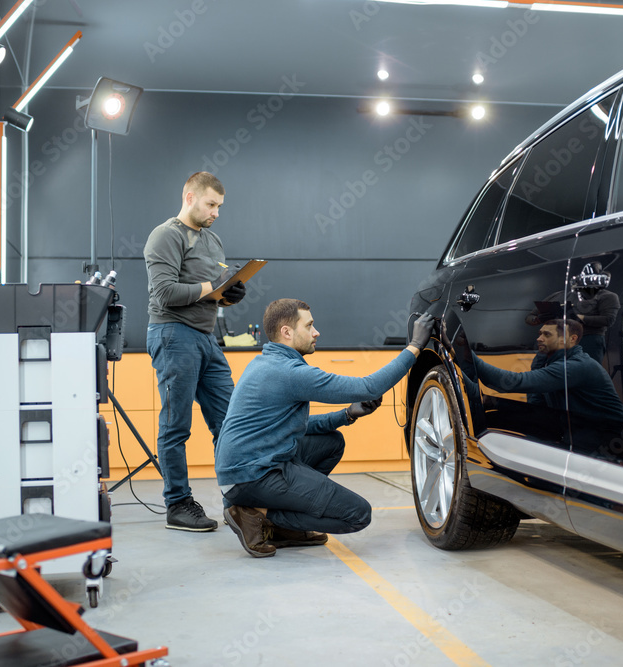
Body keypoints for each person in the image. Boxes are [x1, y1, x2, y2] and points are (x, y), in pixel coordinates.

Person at [214, 299, 434, 557]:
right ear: (287, 332)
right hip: (250, 476)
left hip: (243, 470)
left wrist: (347, 415)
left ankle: (281, 524)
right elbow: (369, 386)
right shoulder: (290, 372)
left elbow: (297, 427)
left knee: (332, 442)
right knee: (357, 514)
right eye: (309, 326)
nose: (316, 332)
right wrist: (415, 346)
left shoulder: (264, 363)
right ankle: (258, 514)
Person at [144, 172, 247, 531]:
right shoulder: (166, 235)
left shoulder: (213, 239)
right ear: (190, 197)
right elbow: (165, 294)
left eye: (219, 206)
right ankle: (177, 503)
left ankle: (240, 498)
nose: (216, 212)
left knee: (230, 422)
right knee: (177, 425)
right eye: (211, 204)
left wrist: (229, 294)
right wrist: (212, 285)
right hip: (173, 334)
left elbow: (211, 291)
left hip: (205, 338)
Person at [473, 318, 623, 424]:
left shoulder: (576, 366)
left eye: (547, 334)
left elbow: (516, 383)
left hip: (609, 436)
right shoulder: (551, 362)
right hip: (581, 429)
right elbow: (536, 406)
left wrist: (471, 358)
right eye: (540, 333)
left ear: (571, 339)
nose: (539, 338)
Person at [526, 262, 620, 363]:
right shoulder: (559, 295)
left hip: (588, 339)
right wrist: (539, 319)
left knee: (586, 372)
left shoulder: (607, 296)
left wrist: (579, 318)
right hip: (555, 340)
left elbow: (608, 319)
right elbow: (530, 317)